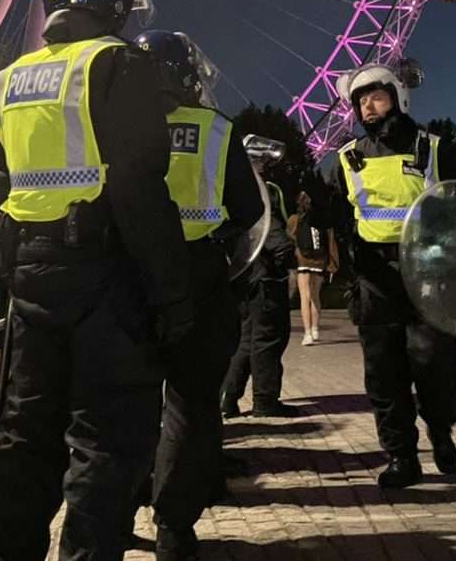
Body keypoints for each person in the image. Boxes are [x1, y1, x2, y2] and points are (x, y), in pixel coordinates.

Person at [0, 0, 193, 561]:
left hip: (31, 281)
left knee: (25, 437)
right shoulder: (120, 64)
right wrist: (173, 294)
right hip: (106, 277)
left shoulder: (9, 80)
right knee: (105, 443)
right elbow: (138, 189)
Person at [133, 30, 264, 561]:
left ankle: (115, 514)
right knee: (191, 407)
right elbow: (250, 211)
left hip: (131, 278)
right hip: (200, 278)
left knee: (126, 406)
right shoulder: (215, 130)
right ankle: (174, 528)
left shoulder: (114, 127)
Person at [324, 64, 456, 489]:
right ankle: (402, 456)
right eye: (360, 101)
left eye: (376, 97)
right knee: (384, 375)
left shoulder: (435, 148)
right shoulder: (345, 160)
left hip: (427, 273)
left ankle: (441, 430)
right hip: (374, 278)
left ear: (398, 98)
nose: (368, 106)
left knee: (436, 366)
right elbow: (336, 217)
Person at [220, 136, 298, 419]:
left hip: (244, 273)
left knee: (247, 339)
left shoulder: (233, 184)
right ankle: (265, 401)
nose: (267, 165)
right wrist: (285, 256)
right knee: (269, 338)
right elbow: (268, 226)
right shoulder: (259, 187)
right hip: (265, 272)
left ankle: (228, 399)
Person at [291, 190, 338, 345]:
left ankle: (307, 333)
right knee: (315, 296)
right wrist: (332, 264)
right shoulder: (323, 220)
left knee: (304, 297)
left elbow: (289, 239)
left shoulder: (295, 219)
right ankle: (316, 328)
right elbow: (330, 241)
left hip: (302, 260)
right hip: (319, 260)